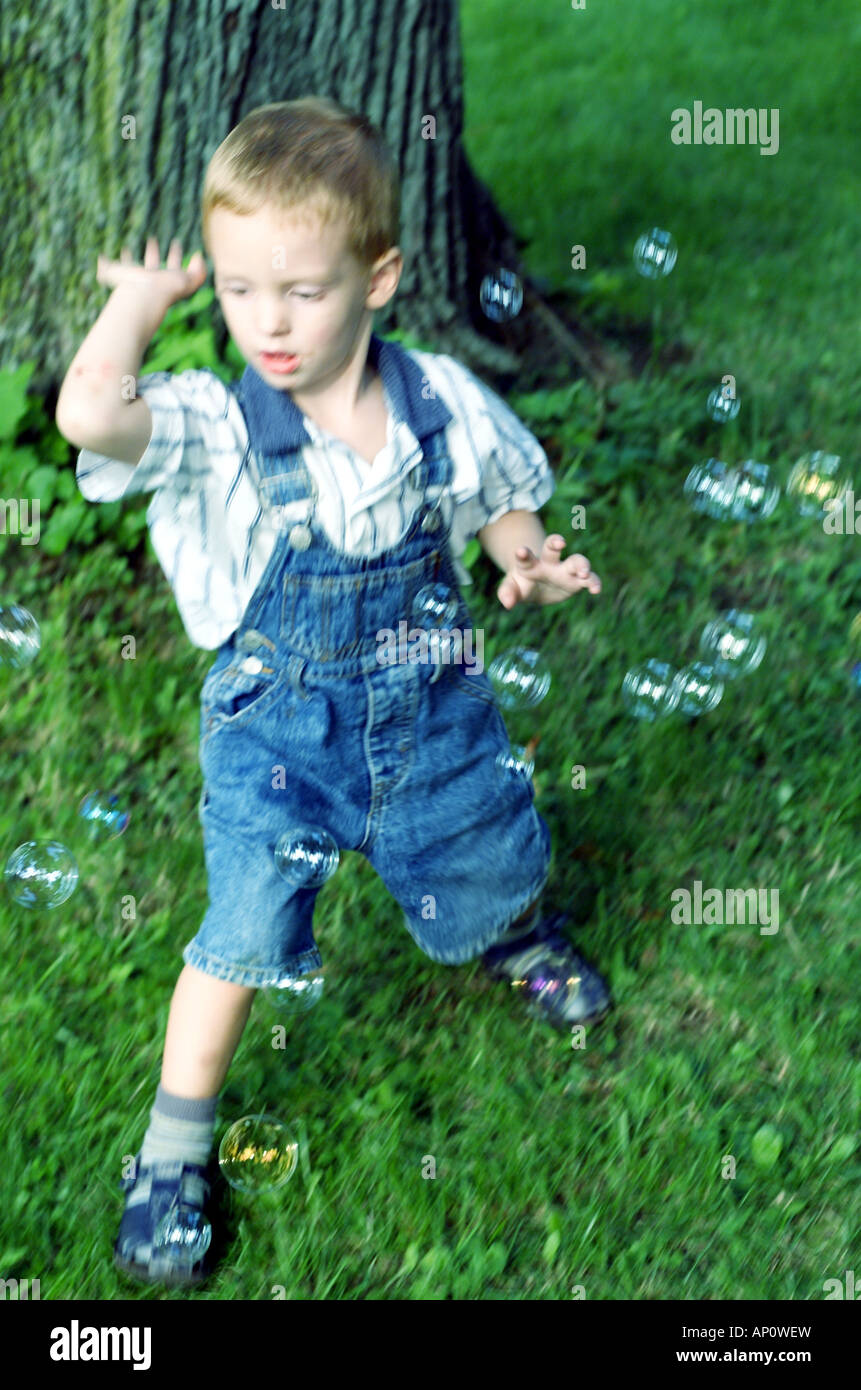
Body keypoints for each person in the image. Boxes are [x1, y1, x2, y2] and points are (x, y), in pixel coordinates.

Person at [55, 96, 610, 1289]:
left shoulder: (437, 399)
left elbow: (497, 496)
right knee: (243, 932)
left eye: (303, 290)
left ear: (381, 276)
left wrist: (525, 555)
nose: (270, 320)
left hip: (431, 712)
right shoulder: (209, 422)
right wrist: (137, 306)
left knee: (477, 842)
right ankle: (172, 1150)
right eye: (241, 287)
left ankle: (512, 932)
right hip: (277, 743)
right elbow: (88, 412)